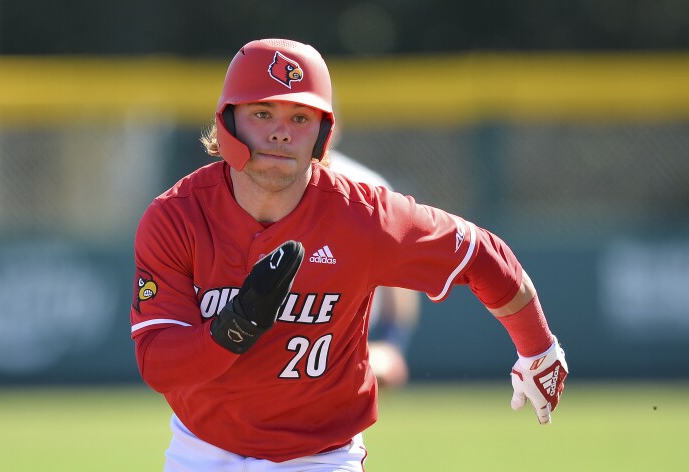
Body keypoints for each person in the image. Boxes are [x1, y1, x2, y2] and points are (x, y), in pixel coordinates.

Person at [130, 38, 568, 471]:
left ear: (323, 133)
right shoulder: (177, 217)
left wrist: (539, 349)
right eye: (262, 113)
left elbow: (481, 254)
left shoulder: (364, 217)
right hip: (202, 450)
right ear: (228, 122)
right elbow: (158, 363)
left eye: (300, 117)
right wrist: (235, 328)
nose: (281, 130)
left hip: (320, 456)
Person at [328, 150, 420, 388]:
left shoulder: (365, 183)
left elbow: (400, 276)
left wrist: (392, 344)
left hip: (352, 343)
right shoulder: (253, 179)